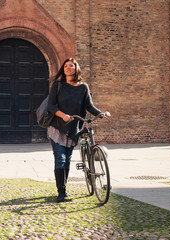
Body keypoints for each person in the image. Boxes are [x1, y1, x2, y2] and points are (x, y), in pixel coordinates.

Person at [47, 58, 110, 202]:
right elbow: (51, 105)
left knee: (67, 161)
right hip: (57, 127)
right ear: (63, 70)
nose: (68, 68)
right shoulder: (58, 85)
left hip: (73, 129)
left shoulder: (83, 87)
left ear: (76, 69)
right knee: (60, 159)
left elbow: (89, 105)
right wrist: (63, 116)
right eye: (66, 66)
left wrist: (100, 113)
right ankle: (61, 192)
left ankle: (64, 186)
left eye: (71, 66)